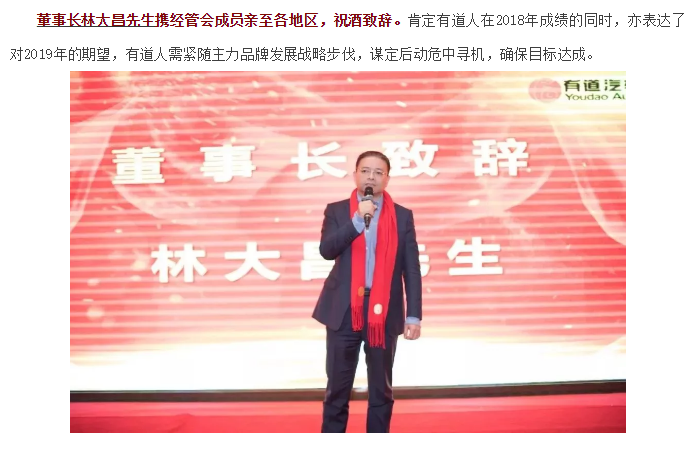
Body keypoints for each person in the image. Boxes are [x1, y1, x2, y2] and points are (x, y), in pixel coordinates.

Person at [312, 150, 423, 433]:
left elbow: (411, 269)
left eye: (378, 172)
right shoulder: (337, 211)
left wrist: (413, 316)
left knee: (381, 390)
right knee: (337, 390)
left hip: (384, 311)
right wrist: (357, 222)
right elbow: (327, 250)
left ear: (387, 178)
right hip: (343, 312)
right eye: (365, 171)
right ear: (355, 175)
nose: (371, 177)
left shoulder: (402, 216)